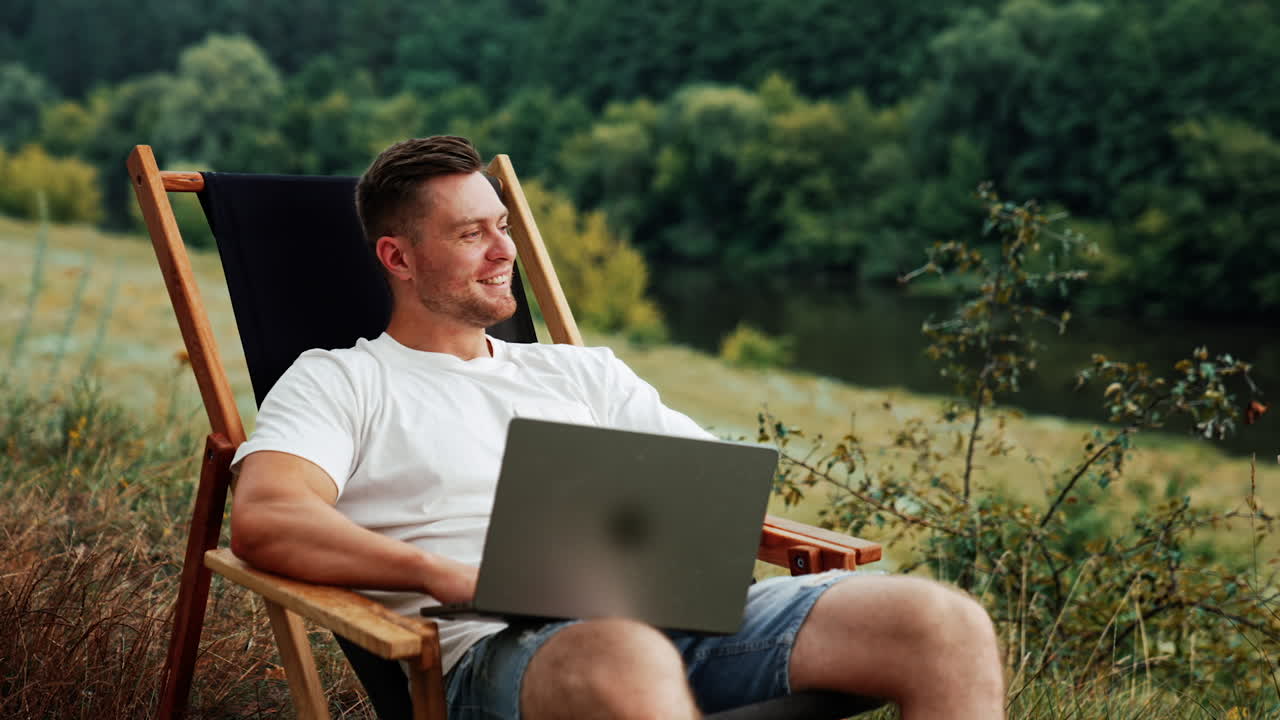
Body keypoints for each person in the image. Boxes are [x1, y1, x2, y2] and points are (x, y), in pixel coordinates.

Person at [229, 136, 1005, 720]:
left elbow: (708, 493)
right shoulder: (344, 380)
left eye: (503, 226)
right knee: (625, 652)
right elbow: (267, 519)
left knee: (942, 622)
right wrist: (440, 574)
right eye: (471, 235)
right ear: (398, 258)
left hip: (680, 621)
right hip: (502, 651)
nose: (505, 252)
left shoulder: (579, 372)